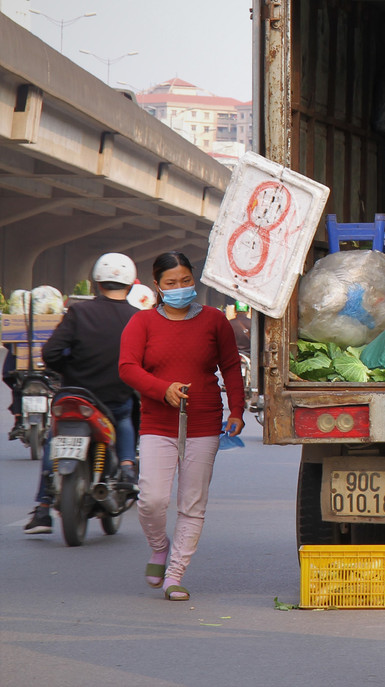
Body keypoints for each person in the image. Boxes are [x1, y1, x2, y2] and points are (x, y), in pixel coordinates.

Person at [118, 252, 244, 601]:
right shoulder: (141, 323)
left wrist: (237, 409)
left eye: (185, 280)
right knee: (151, 499)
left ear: (194, 279)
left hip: (204, 421)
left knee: (192, 504)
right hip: (157, 422)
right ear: (156, 286)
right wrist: (163, 389)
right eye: (171, 283)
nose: (179, 288)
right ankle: (159, 547)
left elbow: (231, 366)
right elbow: (128, 367)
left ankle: (175, 574)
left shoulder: (215, 320)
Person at [24, 254, 141, 535]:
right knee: (126, 413)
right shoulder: (139, 318)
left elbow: (51, 353)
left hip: (76, 395)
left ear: (96, 282)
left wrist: (69, 370)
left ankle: (42, 508)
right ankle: (126, 467)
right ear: (130, 284)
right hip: (114, 397)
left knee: (55, 438)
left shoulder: (78, 312)